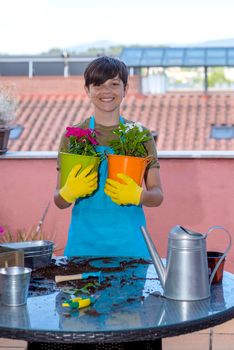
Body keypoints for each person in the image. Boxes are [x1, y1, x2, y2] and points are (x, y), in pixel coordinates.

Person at [54, 56, 163, 257]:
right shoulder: (74, 136)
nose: (106, 91)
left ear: (125, 89)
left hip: (131, 247)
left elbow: (157, 196)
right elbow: (59, 201)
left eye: (114, 84)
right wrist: (68, 192)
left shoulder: (139, 135)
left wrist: (139, 195)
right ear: (87, 90)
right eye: (98, 84)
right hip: (83, 247)